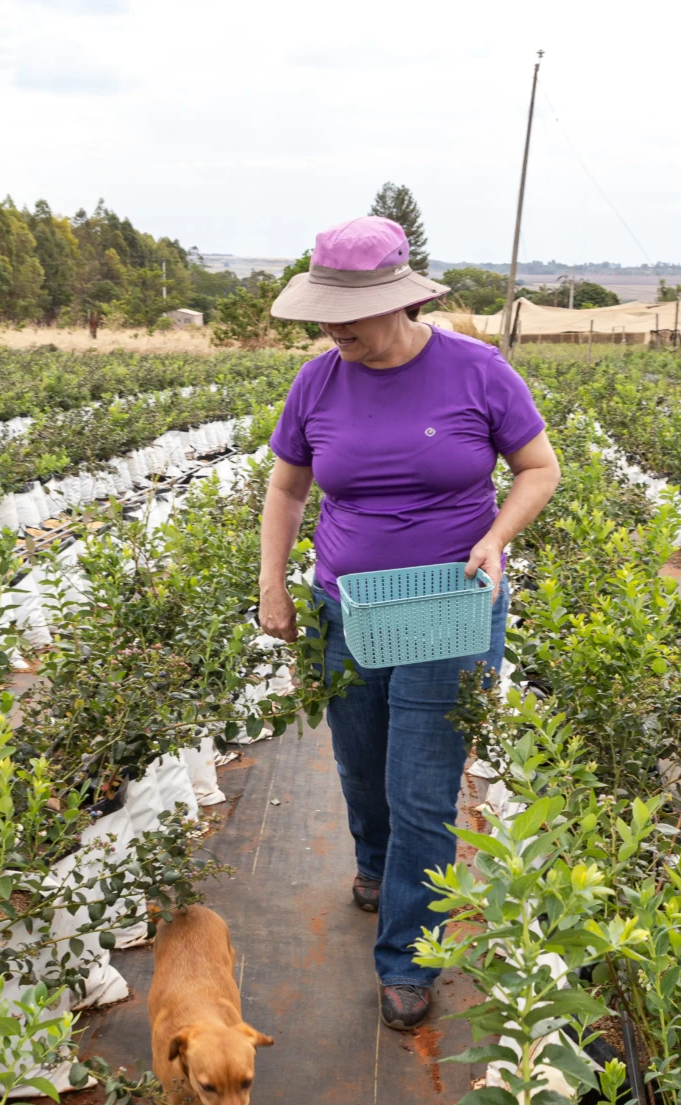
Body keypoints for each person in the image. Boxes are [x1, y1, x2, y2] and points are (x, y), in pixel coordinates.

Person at [256, 217, 561, 1031]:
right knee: (360, 761)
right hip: (343, 611)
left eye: (347, 313)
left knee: (422, 789)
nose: (331, 328)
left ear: (400, 301)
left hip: (449, 611)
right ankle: (370, 861)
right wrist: (273, 588)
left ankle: (408, 957)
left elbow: (539, 468)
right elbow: (287, 490)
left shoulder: (478, 371)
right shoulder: (317, 382)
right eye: (323, 312)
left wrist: (496, 538)